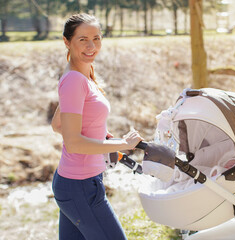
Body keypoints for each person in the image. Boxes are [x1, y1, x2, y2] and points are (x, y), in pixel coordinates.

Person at [51, 13, 143, 240]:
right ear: (67, 42)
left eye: (97, 38)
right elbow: (73, 143)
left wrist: (99, 135)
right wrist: (124, 144)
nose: (91, 45)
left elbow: (57, 124)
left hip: (79, 183)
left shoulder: (82, 76)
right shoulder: (74, 80)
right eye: (82, 39)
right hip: (79, 186)